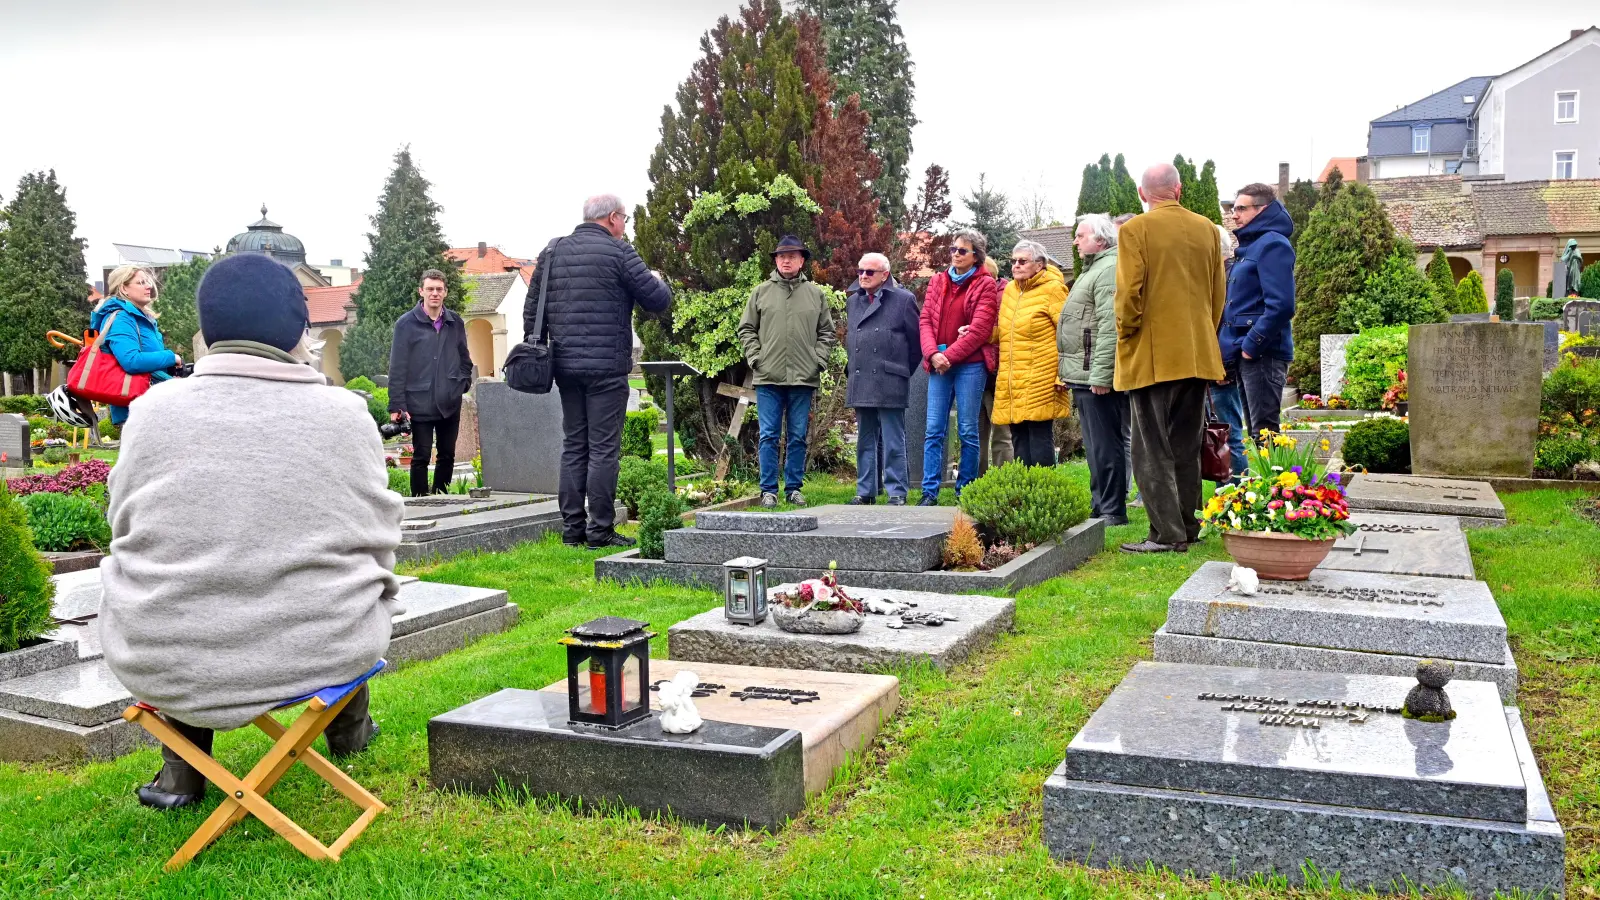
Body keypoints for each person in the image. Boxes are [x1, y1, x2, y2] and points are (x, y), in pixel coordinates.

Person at [100, 253, 401, 810]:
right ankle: (348, 730)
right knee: (357, 577)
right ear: (295, 329)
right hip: (321, 646)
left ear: (209, 327)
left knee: (174, 573)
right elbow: (379, 535)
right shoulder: (343, 413)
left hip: (161, 654)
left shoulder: (152, 411)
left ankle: (181, 773)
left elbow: (121, 521)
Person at [529, 194, 672, 548]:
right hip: (607, 367)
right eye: (624, 219)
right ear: (612, 218)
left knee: (574, 444)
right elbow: (658, 300)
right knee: (604, 449)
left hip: (564, 366)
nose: (625, 226)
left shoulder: (551, 251)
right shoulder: (620, 253)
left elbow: (533, 309)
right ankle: (600, 531)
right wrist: (657, 279)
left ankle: (572, 531)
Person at [1114, 163, 1227, 553]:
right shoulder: (1207, 229)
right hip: (1196, 353)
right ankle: (1188, 527)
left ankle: (1165, 534)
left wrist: (1126, 332)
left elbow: (1130, 293)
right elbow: (1217, 294)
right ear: (1178, 190)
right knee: (1185, 444)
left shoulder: (1135, 230)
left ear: (1143, 195)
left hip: (1151, 354)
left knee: (1150, 448)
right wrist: (1201, 335)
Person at [737, 235, 837, 508]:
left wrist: (818, 360)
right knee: (769, 435)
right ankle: (768, 490)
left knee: (797, 436)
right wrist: (757, 358)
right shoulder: (760, 292)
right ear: (776, 261)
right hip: (769, 377)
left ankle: (793, 489)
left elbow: (827, 332)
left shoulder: (815, 294)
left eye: (792, 256)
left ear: (802, 260)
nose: (786, 260)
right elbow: (746, 328)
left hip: (803, 378)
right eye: (782, 256)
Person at [1055, 214, 1129, 525]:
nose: (1075, 241)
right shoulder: (1094, 268)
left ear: (1100, 240)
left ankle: (1112, 509)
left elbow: (1109, 326)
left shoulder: (1108, 268)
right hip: (1083, 372)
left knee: (1105, 443)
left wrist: (1101, 375)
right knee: (1096, 446)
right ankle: (1100, 504)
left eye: (1081, 235)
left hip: (1095, 375)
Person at [918, 230, 1000, 504]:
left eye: (962, 250)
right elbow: (926, 321)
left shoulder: (985, 284)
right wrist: (932, 354)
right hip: (939, 365)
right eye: (953, 249)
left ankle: (965, 491)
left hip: (970, 367)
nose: (954, 254)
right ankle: (929, 493)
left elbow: (979, 330)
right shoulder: (938, 280)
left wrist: (948, 356)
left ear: (976, 255)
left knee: (967, 430)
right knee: (933, 430)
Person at [388, 269, 473, 496]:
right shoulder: (406, 324)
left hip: (449, 401)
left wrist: (462, 384)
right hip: (419, 402)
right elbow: (397, 368)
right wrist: (397, 406)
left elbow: (465, 359)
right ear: (421, 291)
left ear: (445, 292)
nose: (434, 293)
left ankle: (441, 498)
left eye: (439, 289)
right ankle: (419, 501)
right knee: (421, 456)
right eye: (430, 289)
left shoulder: (455, 322)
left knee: (447, 455)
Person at [845, 253, 920, 505]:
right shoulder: (853, 302)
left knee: (893, 440)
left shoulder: (904, 300)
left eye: (869, 272)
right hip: (862, 377)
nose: (863, 276)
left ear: (885, 275)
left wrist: (899, 371)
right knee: (865, 439)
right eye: (860, 271)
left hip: (891, 379)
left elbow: (916, 345)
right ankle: (865, 491)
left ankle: (897, 492)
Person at [1223, 183, 1296, 437]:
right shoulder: (1251, 247)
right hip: (1247, 352)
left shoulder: (1273, 244)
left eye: (1241, 208)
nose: (1234, 215)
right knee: (1257, 432)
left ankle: (1283, 478)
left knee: (1265, 433)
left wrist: (1251, 346)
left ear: (1262, 210)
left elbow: (1282, 304)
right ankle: (1267, 478)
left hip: (1264, 353)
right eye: (1234, 208)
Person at [991, 240, 1072, 467]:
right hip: (1012, 377)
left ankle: (1044, 494)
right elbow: (1008, 331)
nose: (1016, 265)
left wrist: (1062, 374)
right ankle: (1025, 497)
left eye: (1022, 261)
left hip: (1041, 377)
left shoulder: (1054, 289)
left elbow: (1068, 333)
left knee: (1038, 435)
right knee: (1018, 436)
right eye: (1014, 261)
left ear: (1039, 265)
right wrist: (983, 333)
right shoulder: (1010, 290)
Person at [92, 265, 181, 427]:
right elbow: (131, 361)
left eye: (147, 282)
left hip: (150, 405)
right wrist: (171, 357)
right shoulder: (122, 319)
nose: (148, 286)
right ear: (124, 289)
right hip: (136, 412)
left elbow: (150, 366)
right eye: (140, 283)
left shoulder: (142, 319)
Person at [1208, 223, 1248, 477]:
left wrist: (1222, 365)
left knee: (1228, 432)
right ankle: (1228, 492)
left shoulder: (1228, 277)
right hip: (1215, 365)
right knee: (1221, 431)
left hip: (1222, 367)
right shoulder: (1221, 275)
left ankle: (1237, 493)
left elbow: (1226, 325)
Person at [977, 254, 1015, 473]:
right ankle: (976, 483)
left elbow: (1007, 330)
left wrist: (980, 334)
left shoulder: (1007, 292)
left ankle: (1003, 480)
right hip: (975, 371)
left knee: (1002, 432)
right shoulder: (972, 291)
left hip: (999, 371)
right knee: (974, 432)